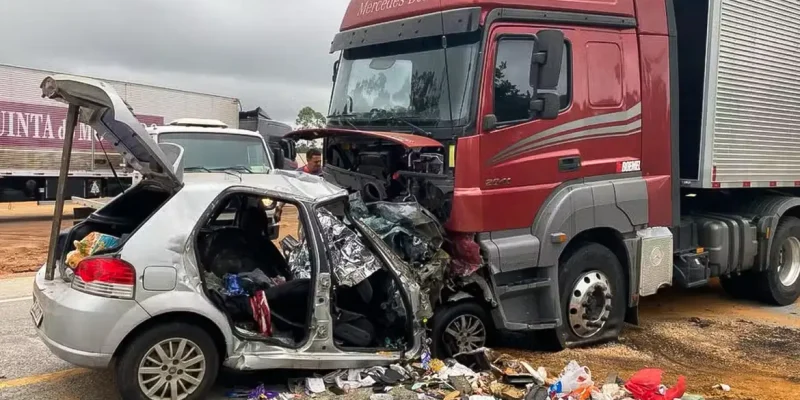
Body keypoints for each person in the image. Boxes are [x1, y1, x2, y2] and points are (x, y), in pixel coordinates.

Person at [274, 149, 323, 221]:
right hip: (304, 213)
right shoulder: (298, 174)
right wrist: (279, 207)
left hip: (321, 212)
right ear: (308, 160)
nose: (319, 164)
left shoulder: (323, 174)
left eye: (320, 161)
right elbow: (289, 190)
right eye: (316, 162)